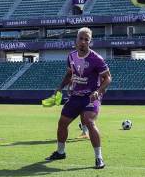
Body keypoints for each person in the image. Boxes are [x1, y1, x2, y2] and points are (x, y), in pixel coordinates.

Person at [45, 27, 111, 169]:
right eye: (81, 38)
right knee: (62, 122)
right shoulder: (71, 56)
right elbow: (70, 74)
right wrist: (60, 87)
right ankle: (60, 152)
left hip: (90, 97)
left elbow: (108, 78)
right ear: (76, 40)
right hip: (75, 96)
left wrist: (98, 91)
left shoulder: (96, 59)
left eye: (86, 39)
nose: (83, 42)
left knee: (89, 121)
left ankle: (99, 158)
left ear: (90, 42)